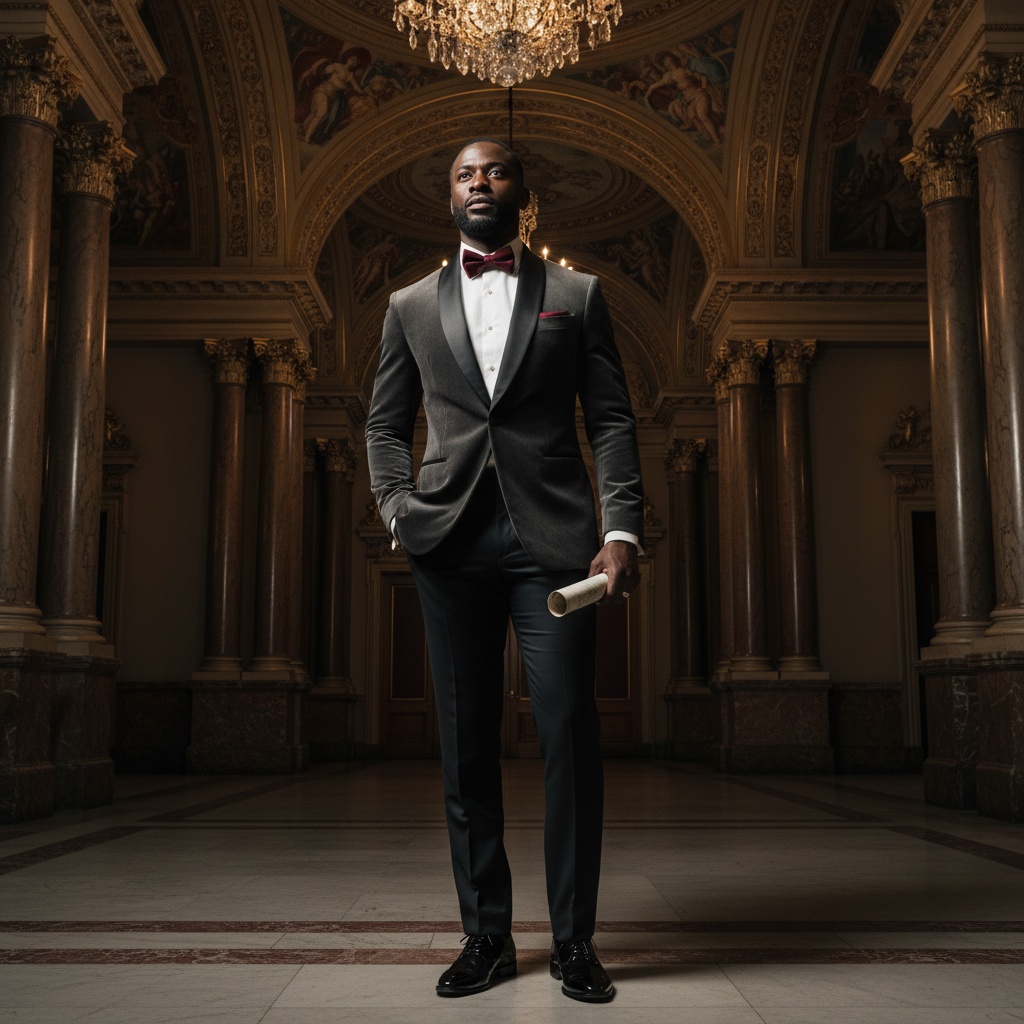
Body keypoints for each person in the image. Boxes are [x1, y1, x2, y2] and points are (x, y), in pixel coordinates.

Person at [365, 138, 645, 1002]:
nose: (479, 181)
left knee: (568, 738)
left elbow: (610, 419)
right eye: (463, 172)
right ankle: (485, 936)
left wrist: (621, 526)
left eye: (495, 170)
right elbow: (383, 425)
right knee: (466, 744)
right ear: (447, 195)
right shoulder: (408, 304)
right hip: (447, 544)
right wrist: (398, 509)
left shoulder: (576, 295)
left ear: (525, 192)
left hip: (553, 547)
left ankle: (573, 944)